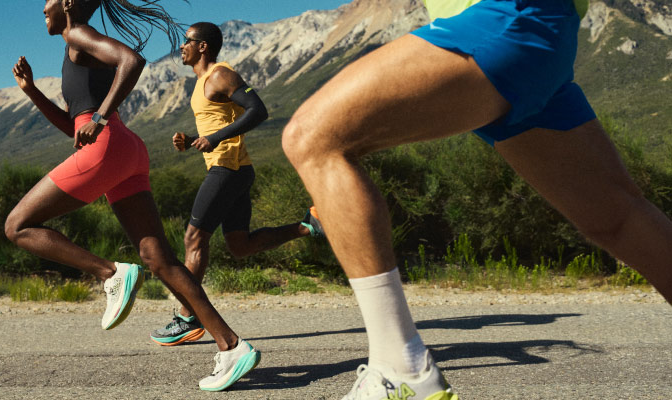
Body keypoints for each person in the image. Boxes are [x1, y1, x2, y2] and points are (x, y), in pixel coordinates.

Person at [279, 0, 671, 398]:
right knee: (618, 218)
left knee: (313, 138)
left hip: (504, 23)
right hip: (539, 36)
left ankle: (400, 367)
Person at [5, 0, 260, 391]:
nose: (43, 7)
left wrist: (102, 118)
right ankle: (232, 347)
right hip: (124, 150)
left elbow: (132, 61)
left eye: (50, 1)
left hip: (107, 145)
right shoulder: (76, 46)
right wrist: (33, 92)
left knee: (18, 225)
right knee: (160, 259)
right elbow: (75, 127)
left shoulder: (77, 33)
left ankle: (109, 273)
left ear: (69, 3)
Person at [150, 21, 325, 347]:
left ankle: (187, 318)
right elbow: (222, 120)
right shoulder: (202, 82)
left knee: (193, 239)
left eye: (186, 42)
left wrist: (215, 138)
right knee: (239, 246)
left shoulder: (220, 74)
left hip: (227, 170)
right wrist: (192, 140)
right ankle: (307, 224)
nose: (181, 48)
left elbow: (258, 110)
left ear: (203, 46)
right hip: (236, 170)